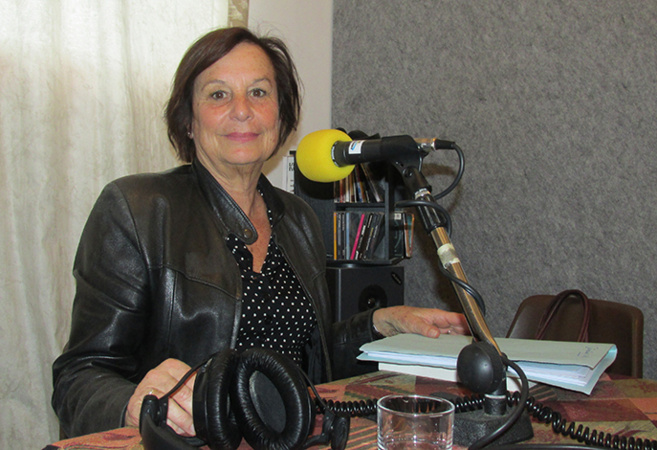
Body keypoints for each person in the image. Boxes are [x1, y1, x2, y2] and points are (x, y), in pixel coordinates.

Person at [51, 27, 469, 439]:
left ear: (281, 116)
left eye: (258, 92)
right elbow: (78, 376)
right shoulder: (137, 209)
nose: (242, 110)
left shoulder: (299, 218)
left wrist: (380, 325)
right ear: (188, 120)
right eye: (218, 94)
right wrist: (133, 403)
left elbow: (302, 353)